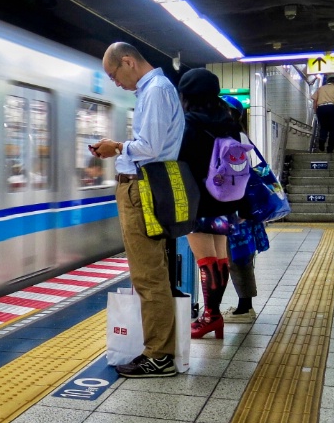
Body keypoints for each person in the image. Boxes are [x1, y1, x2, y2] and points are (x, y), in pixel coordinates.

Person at [90, 42, 185, 378]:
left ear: (128, 61)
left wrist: (116, 146)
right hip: (141, 184)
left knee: (148, 274)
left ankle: (159, 355)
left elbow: (150, 147)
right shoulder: (156, 90)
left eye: (115, 75)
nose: (116, 83)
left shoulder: (156, 90)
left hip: (141, 187)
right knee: (148, 273)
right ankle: (158, 350)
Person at [177, 70, 247, 339]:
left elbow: (181, 158)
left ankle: (211, 317)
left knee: (206, 261)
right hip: (226, 199)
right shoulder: (229, 120)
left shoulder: (190, 122)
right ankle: (213, 316)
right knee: (220, 259)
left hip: (200, 200)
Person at [220, 96, 258, 322]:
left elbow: (239, 176)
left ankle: (245, 308)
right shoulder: (238, 136)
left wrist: (241, 211)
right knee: (240, 256)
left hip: (238, 208)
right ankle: (244, 306)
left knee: (238, 257)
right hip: (240, 206)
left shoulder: (234, 138)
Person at [311, 76, 334, 154]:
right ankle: (330, 149)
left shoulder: (320, 89)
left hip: (321, 109)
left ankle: (322, 140)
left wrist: (315, 113)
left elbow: (314, 101)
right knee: (332, 129)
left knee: (323, 127)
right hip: (331, 108)